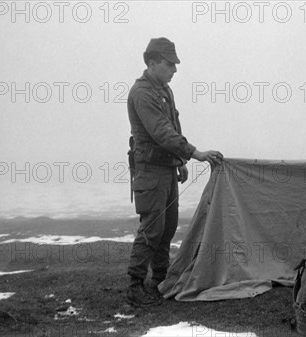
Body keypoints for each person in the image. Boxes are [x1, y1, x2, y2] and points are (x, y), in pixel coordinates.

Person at [126, 37, 223, 307]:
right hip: (150, 171)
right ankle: (134, 286)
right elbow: (161, 132)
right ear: (153, 62)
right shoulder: (143, 93)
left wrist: (180, 161)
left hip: (166, 169)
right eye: (170, 64)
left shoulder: (163, 90)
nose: (175, 70)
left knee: (167, 228)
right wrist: (195, 153)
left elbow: (172, 129)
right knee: (151, 229)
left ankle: (159, 280)